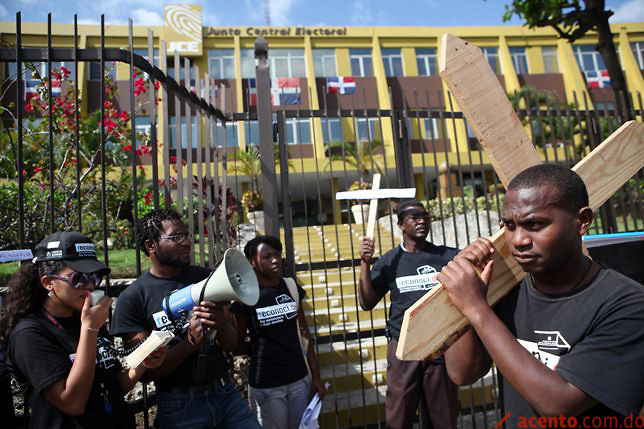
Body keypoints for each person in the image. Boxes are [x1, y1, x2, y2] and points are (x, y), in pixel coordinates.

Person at [439, 164, 644, 428]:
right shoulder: (506, 290)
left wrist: (477, 309)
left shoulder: (627, 304)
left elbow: (559, 405)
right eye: (509, 226)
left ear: (581, 221)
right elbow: (463, 373)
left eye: (534, 224)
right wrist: (466, 301)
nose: (518, 240)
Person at [110, 208, 261, 429]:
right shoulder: (133, 298)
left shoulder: (205, 279)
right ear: (151, 246)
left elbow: (231, 343)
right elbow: (146, 371)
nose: (186, 242)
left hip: (225, 395)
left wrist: (219, 321)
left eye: (187, 236)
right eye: (175, 237)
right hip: (179, 405)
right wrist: (190, 344)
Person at [0, 231, 160, 429]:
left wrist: (143, 362)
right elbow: (72, 403)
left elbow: (110, 388)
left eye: (95, 276)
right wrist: (90, 329)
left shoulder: (85, 318)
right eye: (78, 278)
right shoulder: (30, 334)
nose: (90, 285)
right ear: (48, 282)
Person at [359, 200, 459, 429]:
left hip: (439, 345)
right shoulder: (389, 261)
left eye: (425, 216)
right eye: (414, 217)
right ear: (401, 225)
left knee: (443, 417)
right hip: (404, 345)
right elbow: (367, 302)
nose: (422, 221)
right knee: (399, 415)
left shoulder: (446, 256)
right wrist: (365, 263)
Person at [230, 235, 325, 429]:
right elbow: (236, 343)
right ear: (252, 262)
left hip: (299, 380)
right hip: (267, 385)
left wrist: (315, 376)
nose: (275, 260)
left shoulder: (290, 288)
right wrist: (260, 345)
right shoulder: (245, 298)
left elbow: (305, 335)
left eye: (277, 255)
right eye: (267, 256)